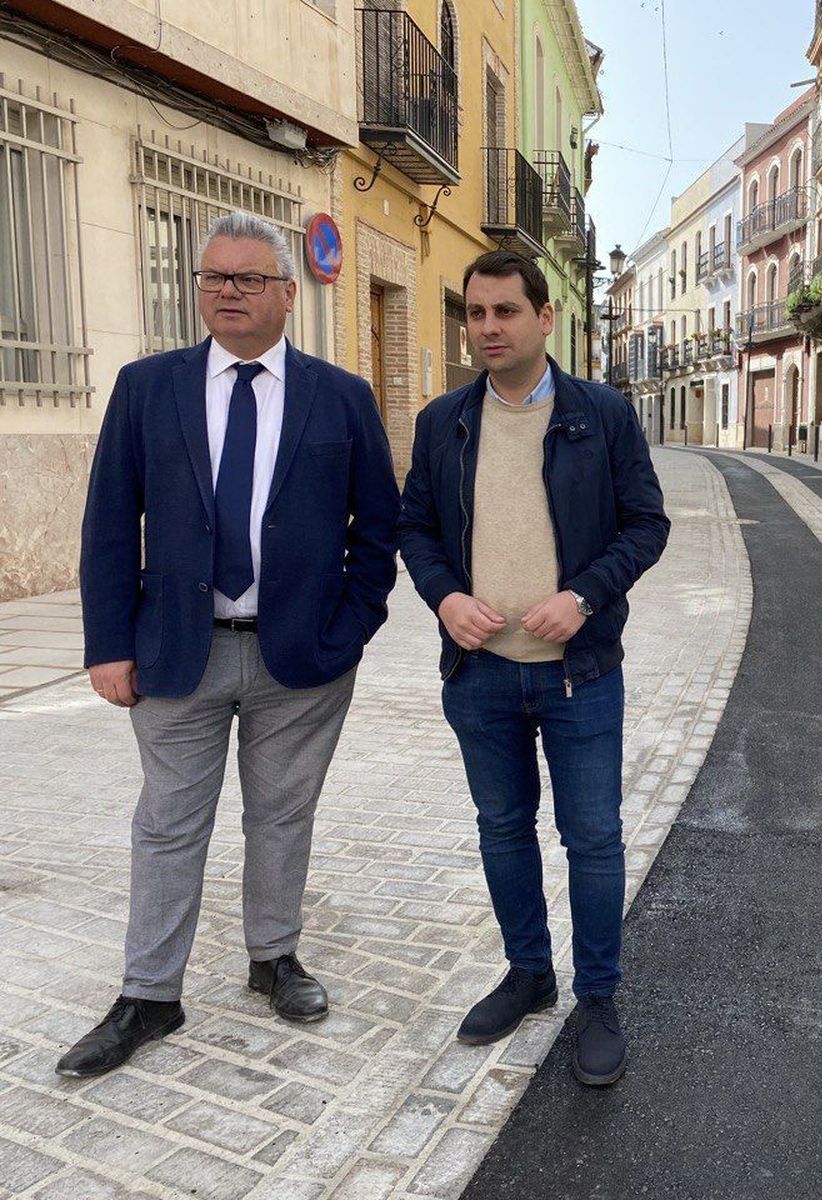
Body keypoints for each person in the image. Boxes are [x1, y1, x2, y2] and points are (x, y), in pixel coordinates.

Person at [59, 211, 400, 1077]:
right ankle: (149, 994)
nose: (228, 293)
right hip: (178, 648)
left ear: (290, 294)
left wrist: (352, 628)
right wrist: (106, 645)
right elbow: (108, 524)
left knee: (282, 814)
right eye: (214, 278)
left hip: (302, 657)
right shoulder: (147, 387)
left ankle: (274, 957)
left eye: (249, 279)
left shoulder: (341, 396)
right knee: (167, 824)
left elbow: (379, 527)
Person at [397, 251, 668, 1086]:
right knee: (503, 829)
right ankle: (528, 973)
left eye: (505, 312)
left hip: (578, 673)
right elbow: (416, 530)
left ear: (545, 318)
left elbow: (646, 524)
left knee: (591, 838)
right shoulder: (444, 419)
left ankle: (597, 999)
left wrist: (583, 597)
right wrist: (445, 600)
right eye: (474, 313)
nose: (487, 328)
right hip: (479, 674)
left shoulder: (601, 413)